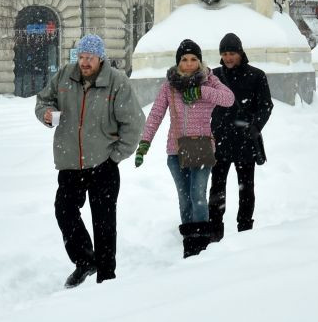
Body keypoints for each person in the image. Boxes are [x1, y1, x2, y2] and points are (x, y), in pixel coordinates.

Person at [35, 34, 145, 288]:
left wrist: (115, 156)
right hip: (70, 162)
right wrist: (47, 114)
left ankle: (106, 276)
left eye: (89, 58)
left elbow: (134, 122)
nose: (84, 63)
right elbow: (43, 100)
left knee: (104, 222)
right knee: (64, 210)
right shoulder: (64, 75)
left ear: (100, 58)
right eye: (81, 57)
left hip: (103, 163)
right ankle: (85, 261)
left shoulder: (116, 82)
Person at [136, 39, 234, 258]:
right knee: (184, 198)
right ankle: (190, 244)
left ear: (199, 62)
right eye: (184, 60)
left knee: (198, 195)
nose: (189, 64)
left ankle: (202, 245)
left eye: (193, 59)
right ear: (178, 62)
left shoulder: (210, 81)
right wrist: (145, 143)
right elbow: (155, 115)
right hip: (176, 150)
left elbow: (229, 98)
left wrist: (202, 92)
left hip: (201, 147)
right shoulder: (170, 86)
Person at [209, 33, 274, 241]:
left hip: (245, 141)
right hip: (219, 140)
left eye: (232, 53)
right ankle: (215, 230)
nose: (228, 58)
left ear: (240, 53)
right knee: (217, 187)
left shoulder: (257, 75)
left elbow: (266, 106)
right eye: (225, 54)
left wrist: (255, 126)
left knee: (246, 188)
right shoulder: (214, 76)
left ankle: (245, 229)